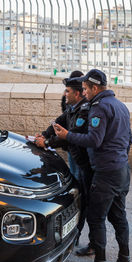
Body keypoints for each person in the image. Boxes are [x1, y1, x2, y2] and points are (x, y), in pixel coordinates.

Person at [54, 69, 132, 262]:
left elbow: (94, 140)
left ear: (95, 88)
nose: (84, 93)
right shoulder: (121, 106)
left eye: (86, 89)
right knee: (118, 216)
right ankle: (124, 259)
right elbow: (129, 140)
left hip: (106, 173)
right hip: (122, 170)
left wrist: (67, 136)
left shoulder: (99, 107)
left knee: (95, 217)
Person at [34, 70, 93, 247]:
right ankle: (75, 237)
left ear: (78, 93)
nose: (64, 94)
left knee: (87, 203)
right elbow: (58, 123)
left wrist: (46, 142)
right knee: (78, 199)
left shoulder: (84, 110)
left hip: (86, 165)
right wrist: (44, 135)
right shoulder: (72, 107)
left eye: (67, 91)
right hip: (75, 157)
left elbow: (70, 134)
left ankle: (91, 244)